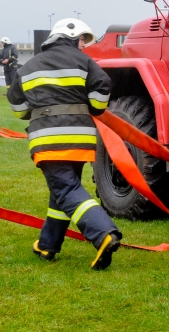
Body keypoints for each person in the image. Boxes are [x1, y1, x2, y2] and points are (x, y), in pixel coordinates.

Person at [7, 18, 123, 270]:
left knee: (66, 189)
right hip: (80, 139)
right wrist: (95, 106)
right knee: (63, 190)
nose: (84, 45)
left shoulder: (29, 67)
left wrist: (35, 111)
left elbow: (17, 107)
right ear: (71, 37)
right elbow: (103, 84)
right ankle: (47, 245)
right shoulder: (85, 62)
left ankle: (103, 233)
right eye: (83, 40)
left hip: (48, 139)